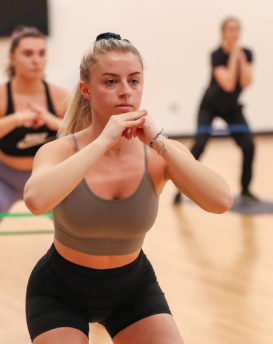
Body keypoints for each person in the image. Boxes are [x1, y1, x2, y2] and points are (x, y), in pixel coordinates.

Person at [24, 32, 234, 344]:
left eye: (133, 81)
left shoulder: (158, 154)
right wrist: (102, 141)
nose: (125, 92)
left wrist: (160, 143)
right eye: (110, 82)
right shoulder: (60, 152)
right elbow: (36, 201)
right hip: (58, 291)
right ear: (86, 90)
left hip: (132, 290)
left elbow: (221, 201)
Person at [177, 16, 257, 204]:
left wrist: (241, 58)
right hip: (210, 106)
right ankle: (180, 189)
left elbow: (246, 82)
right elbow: (228, 84)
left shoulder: (247, 53)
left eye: (237, 29)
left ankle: (245, 189)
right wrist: (234, 58)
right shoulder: (217, 55)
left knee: (249, 145)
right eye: (230, 30)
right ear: (223, 34)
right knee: (200, 144)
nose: (234, 34)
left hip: (232, 108)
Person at [0, 26, 69, 221]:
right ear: (12, 58)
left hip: (49, 179)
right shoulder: (2, 96)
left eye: (41, 53)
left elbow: (88, 135)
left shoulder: (60, 97)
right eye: (28, 54)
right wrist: (18, 118)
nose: (36, 60)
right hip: (4, 180)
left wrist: (53, 121)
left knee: (77, 222)